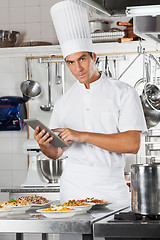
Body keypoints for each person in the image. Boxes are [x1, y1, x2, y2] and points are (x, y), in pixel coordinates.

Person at [34, 0, 147, 205]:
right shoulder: (63, 102)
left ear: (94, 56)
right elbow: (57, 152)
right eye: (70, 62)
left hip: (112, 195)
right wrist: (44, 145)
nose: (78, 68)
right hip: (72, 195)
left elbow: (132, 144)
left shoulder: (123, 92)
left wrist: (83, 135)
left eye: (82, 59)